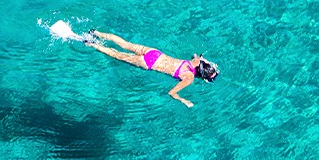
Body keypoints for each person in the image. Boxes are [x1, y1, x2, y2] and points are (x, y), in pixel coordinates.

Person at [83, 30, 219, 107]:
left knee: (125, 44)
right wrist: (184, 101)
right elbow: (171, 93)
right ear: (202, 76)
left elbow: (198, 56)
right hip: (149, 63)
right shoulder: (189, 78)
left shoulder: (196, 60)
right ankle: (91, 44)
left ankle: (96, 32)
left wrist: (206, 62)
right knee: (117, 55)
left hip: (154, 53)